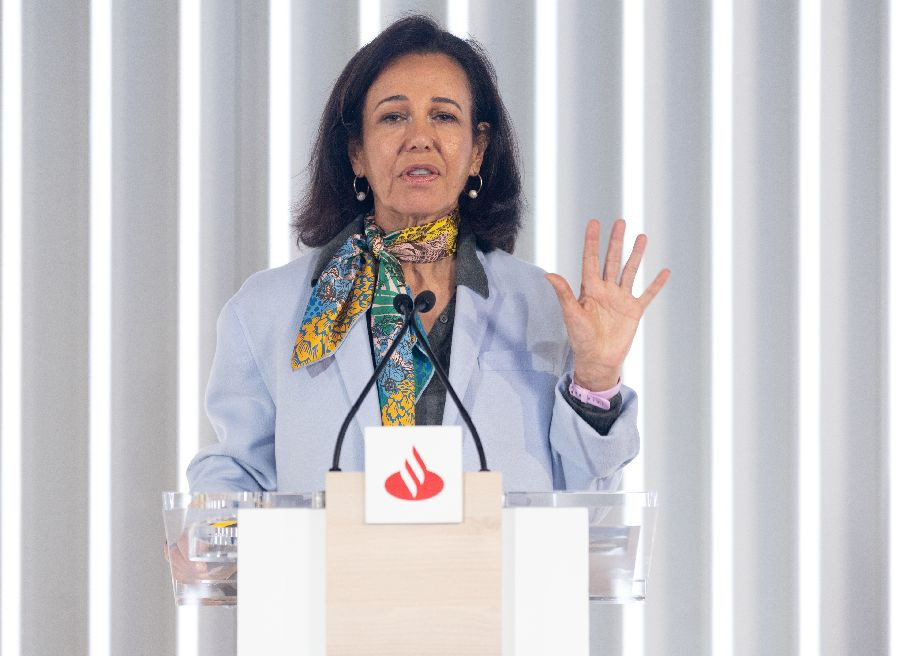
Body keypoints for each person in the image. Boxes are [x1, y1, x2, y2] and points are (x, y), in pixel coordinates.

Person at [187, 15, 668, 494]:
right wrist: (211, 520)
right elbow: (235, 474)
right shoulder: (267, 310)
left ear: (477, 151)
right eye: (393, 116)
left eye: (443, 116)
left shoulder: (543, 308)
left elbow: (591, 496)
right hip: (331, 550)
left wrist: (597, 377)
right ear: (356, 152)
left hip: (501, 550)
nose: (419, 137)